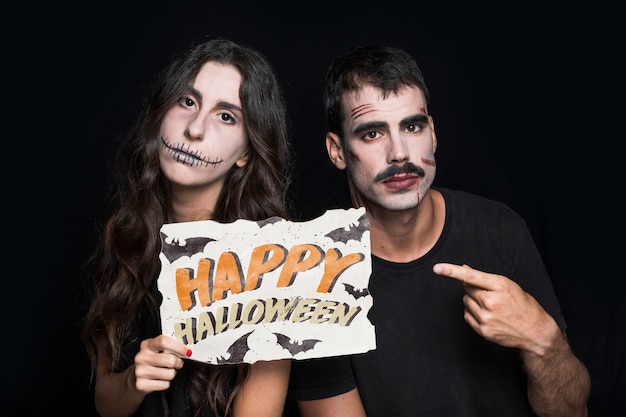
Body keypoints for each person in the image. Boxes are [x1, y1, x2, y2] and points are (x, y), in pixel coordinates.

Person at [287, 44, 591, 417]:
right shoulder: (311, 275)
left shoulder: (500, 229)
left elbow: (572, 410)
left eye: (411, 127)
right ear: (337, 150)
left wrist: (543, 341)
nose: (399, 153)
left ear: (432, 133)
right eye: (372, 134)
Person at [81, 37, 294, 417]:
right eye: (188, 101)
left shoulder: (271, 260)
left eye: (226, 116)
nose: (195, 129)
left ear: (246, 152)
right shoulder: (128, 231)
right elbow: (106, 402)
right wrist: (133, 380)